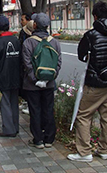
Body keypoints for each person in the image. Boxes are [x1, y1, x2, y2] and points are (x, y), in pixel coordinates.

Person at [67, 1, 107, 162]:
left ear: (95, 16)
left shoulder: (91, 35)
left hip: (94, 83)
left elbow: (82, 56)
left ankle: (84, 152)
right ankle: (104, 150)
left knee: (84, 115)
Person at [22, 13, 62, 149]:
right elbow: (58, 63)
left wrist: (35, 79)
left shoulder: (28, 42)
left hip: (32, 85)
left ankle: (38, 140)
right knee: (48, 109)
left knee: (35, 110)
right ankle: (49, 139)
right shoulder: (55, 42)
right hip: (49, 84)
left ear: (34, 25)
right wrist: (49, 79)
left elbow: (27, 65)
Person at [0, 16, 21, 137]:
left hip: (3, 78)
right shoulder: (16, 41)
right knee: (14, 103)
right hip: (16, 77)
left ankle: (8, 129)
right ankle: (15, 127)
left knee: (5, 103)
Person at [19, 20, 35, 115]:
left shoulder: (28, 42)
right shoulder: (51, 40)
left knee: (31, 88)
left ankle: (30, 105)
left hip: (30, 71)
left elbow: (26, 60)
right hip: (47, 76)